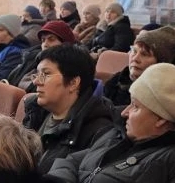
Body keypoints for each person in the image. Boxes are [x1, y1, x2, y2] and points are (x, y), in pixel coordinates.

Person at [21, 44, 114, 173]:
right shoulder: (35, 111)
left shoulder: (97, 131)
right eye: (37, 74)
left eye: (46, 74)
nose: (36, 81)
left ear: (73, 83)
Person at [103, 26, 175, 112]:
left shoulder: (163, 96)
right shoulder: (117, 80)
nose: (135, 58)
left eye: (144, 54)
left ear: (160, 63)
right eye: (134, 51)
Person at [7, 19, 75, 90]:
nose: (45, 44)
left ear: (65, 44)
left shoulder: (67, 69)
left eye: (51, 39)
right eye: (43, 40)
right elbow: (10, 82)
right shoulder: (31, 59)